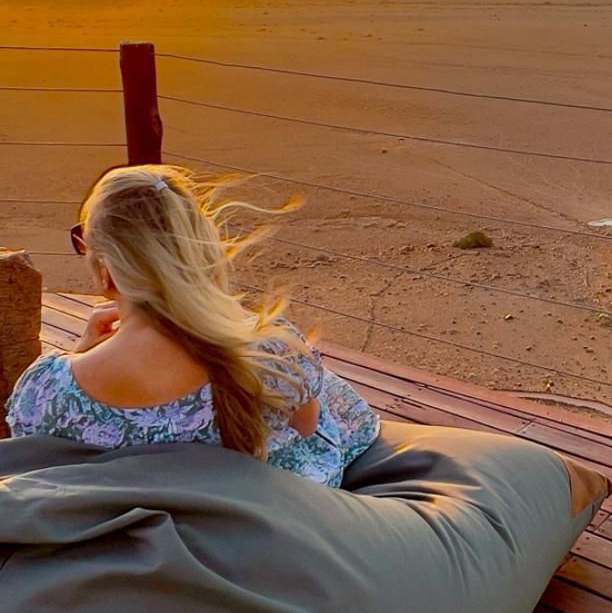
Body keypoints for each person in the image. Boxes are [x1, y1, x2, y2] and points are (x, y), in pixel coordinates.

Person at [6, 165, 379, 486]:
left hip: (141, 549)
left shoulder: (47, 390)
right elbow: (307, 426)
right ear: (199, 252)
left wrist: (80, 356)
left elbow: (41, 461)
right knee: (320, 389)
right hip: (269, 534)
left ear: (106, 273)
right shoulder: (270, 351)